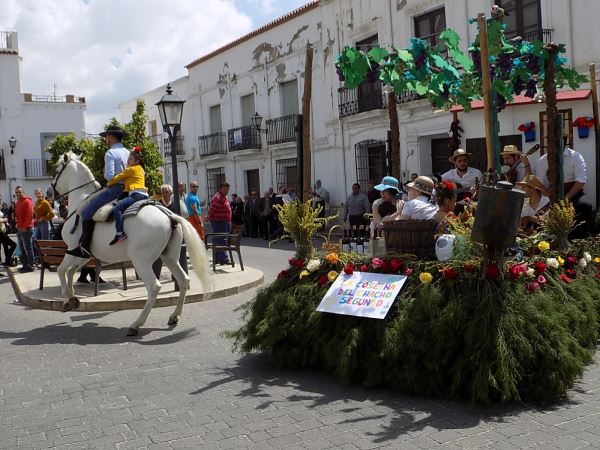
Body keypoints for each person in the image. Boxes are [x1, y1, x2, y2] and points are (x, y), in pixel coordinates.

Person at [67, 125, 130, 258]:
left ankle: (85, 247)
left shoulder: (110, 153)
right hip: (130, 189)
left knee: (85, 212)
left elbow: (109, 175)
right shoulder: (128, 152)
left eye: (107, 137)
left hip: (115, 190)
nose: (106, 139)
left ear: (111, 137)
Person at [528, 139, 592, 237]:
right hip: (553, 193)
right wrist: (547, 193)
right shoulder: (543, 160)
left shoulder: (575, 156)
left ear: (563, 143)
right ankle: (547, 241)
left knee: (585, 205)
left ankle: (578, 239)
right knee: (540, 214)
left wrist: (565, 199)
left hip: (573, 192)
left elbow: (580, 181)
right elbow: (539, 183)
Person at [107, 147, 149, 245]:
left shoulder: (131, 169)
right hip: (144, 194)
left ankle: (120, 233)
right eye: (128, 159)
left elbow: (119, 177)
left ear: (137, 161)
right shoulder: (141, 169)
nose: (128, 161)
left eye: (130, 159)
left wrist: (109, 183)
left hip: (136, 195)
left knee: (117, 208)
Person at [208, 182, 232, 265]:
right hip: (219, 221)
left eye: (227, 190)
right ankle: (224, 259)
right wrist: (208, 217)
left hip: (222, 221)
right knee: (222, 239)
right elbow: (213, 208)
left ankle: (217, 259)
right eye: (224, 189)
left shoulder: (222, 196)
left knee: (218, 239)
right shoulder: (219, 197)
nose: (226, 191)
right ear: (220, 189)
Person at [14, 186, 35, 273]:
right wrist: (17, 224)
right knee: (22, 247)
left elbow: (29, 216)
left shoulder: (27, 201)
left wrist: (24, 227)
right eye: (17, 192)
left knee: (28, 247)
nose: (18, 193)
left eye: (20, 192)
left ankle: (30, 265)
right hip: (20, 228)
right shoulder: (17, 202)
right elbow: (18, 216)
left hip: (27, 228)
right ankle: (25, 265)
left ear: (23, 192)